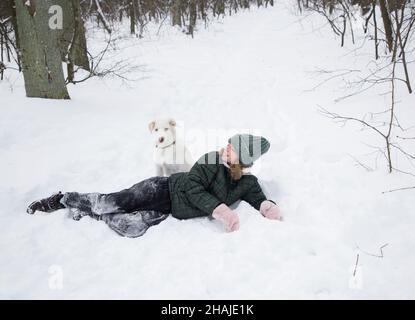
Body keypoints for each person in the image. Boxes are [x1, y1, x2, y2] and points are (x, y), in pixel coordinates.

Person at [27, 134, 282, 237]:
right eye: (229, 142)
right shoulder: (210, 160)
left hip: (170, 210)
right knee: (111, 203)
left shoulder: (245, 181)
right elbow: (193, 188)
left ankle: (89, 213)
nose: (226, 147)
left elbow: (258, 197)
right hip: (163, 189)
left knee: (130, 228)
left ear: (243, 159)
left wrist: (268, 208)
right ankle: (63, 199)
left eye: (233, 147)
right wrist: (221, 210)